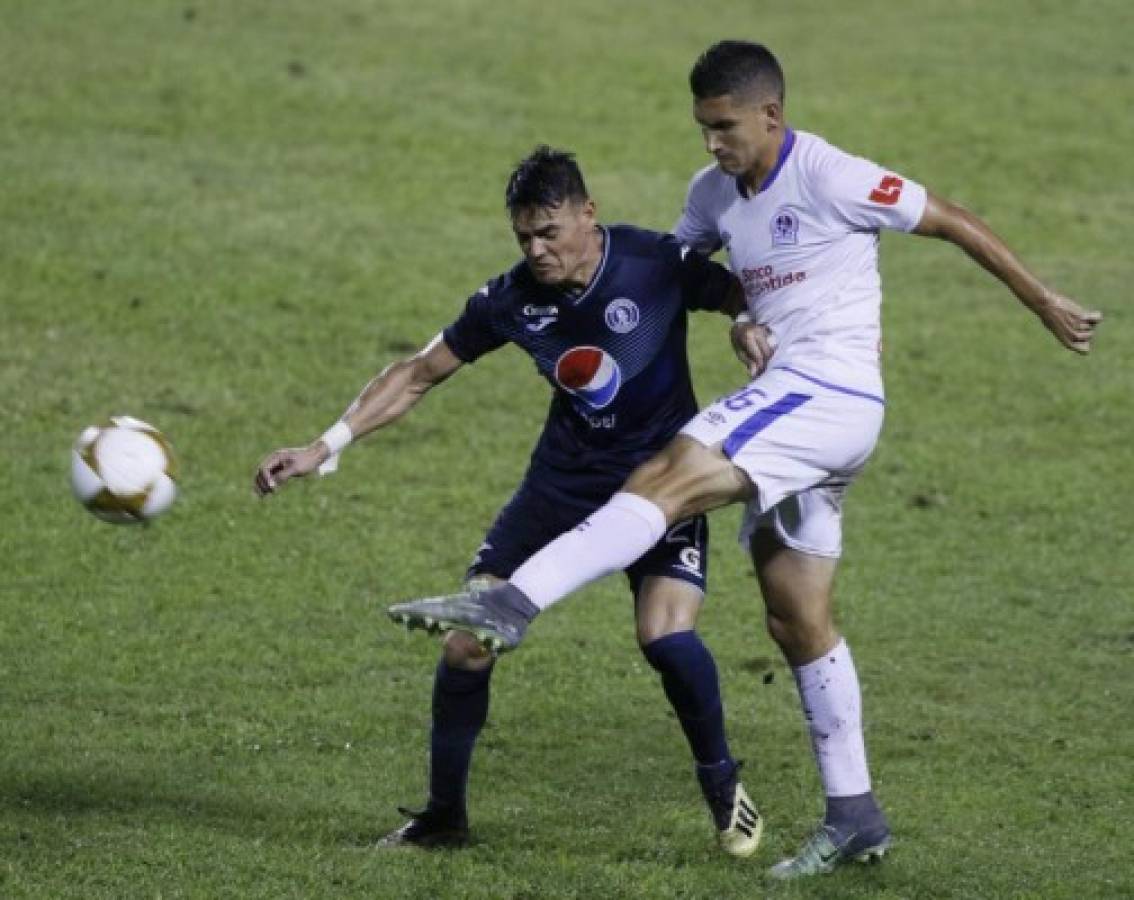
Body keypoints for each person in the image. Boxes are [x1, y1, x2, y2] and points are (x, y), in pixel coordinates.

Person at [387, 41, 1102, 879]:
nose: (712, 143)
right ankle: (855, 816)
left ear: (770, 114)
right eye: (702, 128)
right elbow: (672, 272)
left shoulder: (831, 175)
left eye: (724, 126)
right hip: (801, 422)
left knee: (664, 474)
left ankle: (511, 603)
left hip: (827, 393)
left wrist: (1041, 297)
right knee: (796, 617)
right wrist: (729, 318)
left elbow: (948, 219)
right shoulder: (713, 194)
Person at [255, 146, 774, 856]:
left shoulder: (654, 263)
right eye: (523, 236)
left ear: (588, 215)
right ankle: (444, 819)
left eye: (549, 232)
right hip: (557, 490)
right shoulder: (510, 300)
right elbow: (416, 374)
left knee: (665, 638)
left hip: (662, 485)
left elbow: (748, 291)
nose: (536, 250)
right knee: (469, 644)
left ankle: (723, 786)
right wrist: (325, 444)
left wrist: (748, 323)